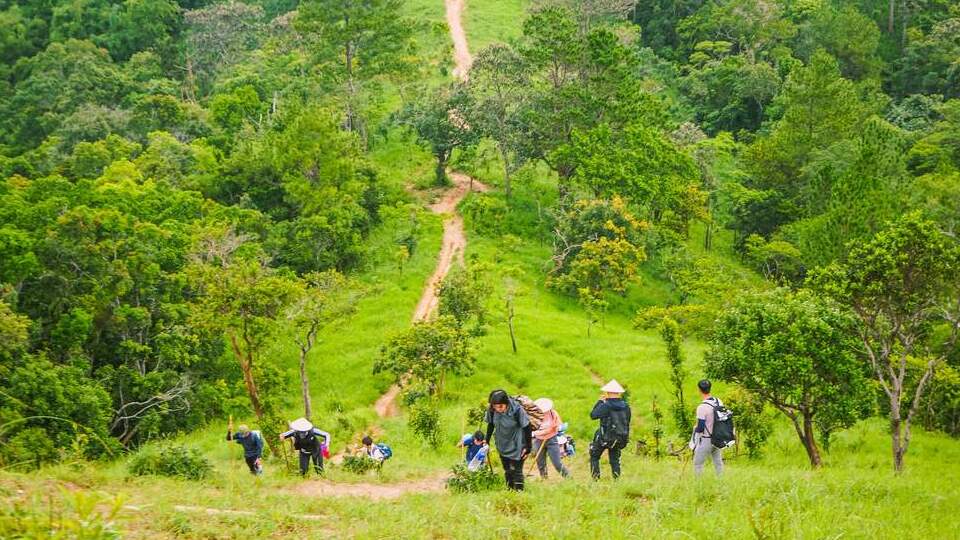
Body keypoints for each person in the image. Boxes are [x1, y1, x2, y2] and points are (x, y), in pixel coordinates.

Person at [484, 389, 531, 490]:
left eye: (500, 406)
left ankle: (519, 493)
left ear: (506, 403)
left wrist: (528, 447)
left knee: (517, 471)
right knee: (507, 470)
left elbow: (527, 426)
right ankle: (509, 490)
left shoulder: (517, 410)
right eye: (495, 407)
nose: (498, 409)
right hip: (502, 444)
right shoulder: (492, 410)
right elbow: (491, 424)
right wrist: (486, 440)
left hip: (517, 443)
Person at [589, 379, 631, 480]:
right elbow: (627, 421)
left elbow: (593, 415)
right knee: (615, 460)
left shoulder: (606, 406)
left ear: (607, 393)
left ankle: (596, 480)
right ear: (619, 393)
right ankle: (616, 480)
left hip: (605, 438)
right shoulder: (626, 406)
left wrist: (599, 402)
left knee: (594, 456)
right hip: (619, 437)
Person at [690, 379, 724, 476]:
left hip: (706, 439)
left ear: (699, 390)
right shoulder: (718, 401)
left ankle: (698, 485)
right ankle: (720, 482)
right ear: (710, 388)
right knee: (718, 463)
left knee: (698, 464)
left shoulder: (702, 407)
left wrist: (695, 429)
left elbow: (700, 428)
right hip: (718, 437)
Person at [531, 398, 570, 479]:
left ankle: (568, 478)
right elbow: (533, 430)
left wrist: (556, 428)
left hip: (552, 440)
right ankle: (544, 478)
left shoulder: (553, 413)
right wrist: (546, 431)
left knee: (557, 463)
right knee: (540, 462)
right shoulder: (534, 416)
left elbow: (559, 425)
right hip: (538, 440)